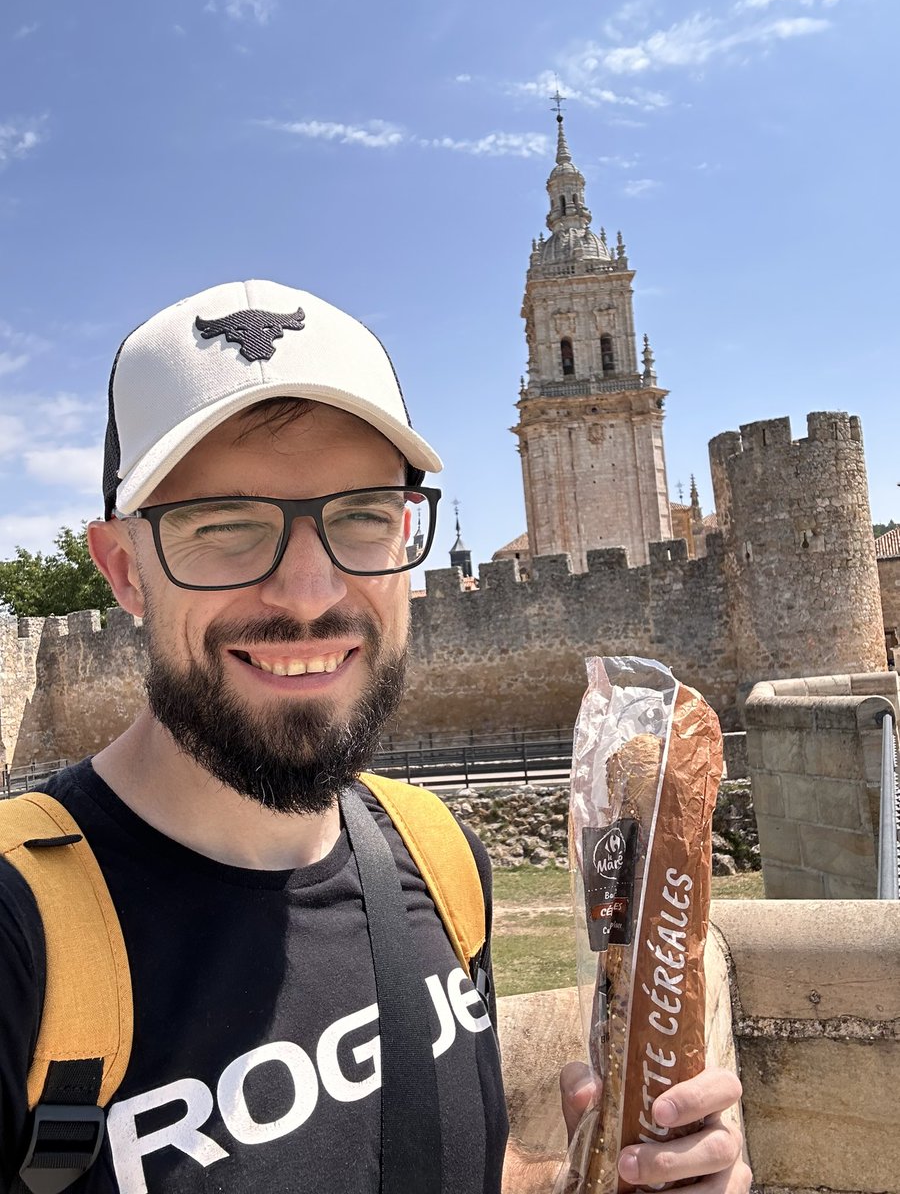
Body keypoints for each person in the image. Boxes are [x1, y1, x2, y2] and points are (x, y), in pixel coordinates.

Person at [0, 279, 749, 1193]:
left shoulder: (439, 860)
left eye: (359, 517)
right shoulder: (18, 933)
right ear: (124, 569)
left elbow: (462, 1163)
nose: (311, 594)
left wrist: (588, 1180)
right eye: (226, 526)